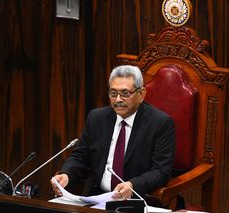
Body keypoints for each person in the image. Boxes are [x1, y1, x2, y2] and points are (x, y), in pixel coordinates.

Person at [51, 65, 175, 200]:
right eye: (113, 93)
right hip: (98, 198)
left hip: (137, 200)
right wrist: (66, 174)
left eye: (125, 93)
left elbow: (161, 171)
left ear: (141, 94)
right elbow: (81, 155)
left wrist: (133, 185)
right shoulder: (97, 118)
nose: (118, 100)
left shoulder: (160, 123)